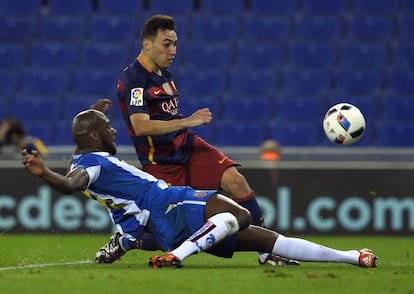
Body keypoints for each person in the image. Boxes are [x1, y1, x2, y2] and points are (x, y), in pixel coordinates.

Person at [21, 109, 377, 269]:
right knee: (238, 213)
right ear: (95, 136)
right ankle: (176, 255)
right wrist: (42, 174)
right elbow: (70, 185)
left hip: (160, 219)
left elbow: (88, 138)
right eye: (108, 128)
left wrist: (98, 110)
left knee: (266, 238)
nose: (115, 131)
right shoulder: (89, 165)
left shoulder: (89, 153)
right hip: (167, 201)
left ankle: (352, 257)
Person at [100, 13, 293, 266]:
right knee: (172, 235)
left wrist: (184, 127)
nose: (173, 50)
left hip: (187, 147)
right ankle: (127, 240)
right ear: (147, 44)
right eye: (166, 44)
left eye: (175, 43)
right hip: (160, 161)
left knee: (237, 181)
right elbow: (140, 126)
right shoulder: (134, 79)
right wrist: (188, 121)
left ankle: (267, 253)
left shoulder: (164, 73)